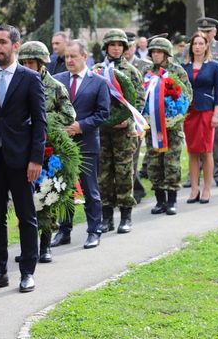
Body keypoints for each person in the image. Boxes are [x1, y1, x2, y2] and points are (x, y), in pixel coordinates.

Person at [0, 25, 47, 293]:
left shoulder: (30, 78)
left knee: (26, 217)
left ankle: (27, 272)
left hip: (22, 160)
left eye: (3, 42)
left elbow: (40, 122)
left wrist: (36, 159)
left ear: (16, 45)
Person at [16, 41, 75, 262]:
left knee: (46, 195)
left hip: (48, 149)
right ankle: (27, 247)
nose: (27, 66)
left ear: (41, 63)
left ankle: (45, 245)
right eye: (24, 62)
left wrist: (42, 120)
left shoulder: (55, 86)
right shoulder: (17, 83)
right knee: (24, 199)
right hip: (21, 148)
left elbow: (70, 115)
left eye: (31, 62)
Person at [52, 39, 110, 249]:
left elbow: (103, 113)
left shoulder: (99, 82)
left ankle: (94, 230)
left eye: (73, 56)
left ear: (84, 57)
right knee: (63, 188)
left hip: (86, 143)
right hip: (63, 144)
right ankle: (64, 230)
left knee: (89, 189)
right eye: (66, 56)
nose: (69, 60)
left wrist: (81, 126)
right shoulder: (57, 80)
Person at [92, 29, 144, 233]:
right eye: (112, 45)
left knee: (124, 172)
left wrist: (128, 118)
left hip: (124, 131)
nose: (116, 48)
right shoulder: (96, 70)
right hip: (102, 131)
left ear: (124, 48)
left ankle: (125, 216)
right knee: (104, 174)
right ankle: (107, 217)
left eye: (119, 45)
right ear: (106, 47)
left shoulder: (131, 71)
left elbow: (139, 100)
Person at [146, 37, 192, 215]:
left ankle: (172, 200)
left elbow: (187, 96)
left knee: (171, 163)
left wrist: (175, 116)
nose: (156, 55)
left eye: (159, 52)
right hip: (153, 127)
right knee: (154, 163)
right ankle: (160, 200)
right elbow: (141, 96)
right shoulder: (147, 71)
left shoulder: (177, 71)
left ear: (166, 53)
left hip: (172, 128)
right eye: (153, 52)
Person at [182, 32, 218, 204]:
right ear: (191, 47)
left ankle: (207, 188)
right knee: (192, 151)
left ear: (206, 46)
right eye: (195, 44)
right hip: (189, 113)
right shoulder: (184, 67)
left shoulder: (214, 66)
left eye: (201, 43)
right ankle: (194, 189)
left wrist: (217, 113)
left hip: (207, 112)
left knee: (206, 151)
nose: (197, 47)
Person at [192, 17, 218, 189]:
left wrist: (212, 84)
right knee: (195, 140)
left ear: (214, 32)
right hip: (196, 103)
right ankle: (194, 176)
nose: (206, 34)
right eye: (203, 31)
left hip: (216, 101)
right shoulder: (193, 47)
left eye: (208, 31)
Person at [124, 37, 153, 203]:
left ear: (135, 47)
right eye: (124, 47)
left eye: (129, 47)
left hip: (139, 118)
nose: (127, 50)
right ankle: (136, 189)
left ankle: (133, 192)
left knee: (133, 156)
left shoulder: (144, 66)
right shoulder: (111, 66)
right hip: (118, 119)